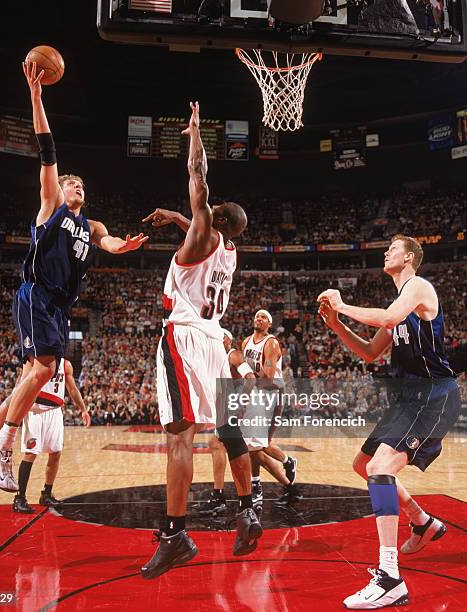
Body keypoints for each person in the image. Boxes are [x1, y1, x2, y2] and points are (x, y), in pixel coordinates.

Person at [0, 60, 148, 494]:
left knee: (30, 379)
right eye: (72, 183)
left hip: (59, 307)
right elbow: (47, 151)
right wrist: (36, 97)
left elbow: (111, 243)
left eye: (81, 184)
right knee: (44, 368)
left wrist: (127, 246)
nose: (77, 185)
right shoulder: (51, 207)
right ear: (59, 189)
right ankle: (1, 447)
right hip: (36, 295)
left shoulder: (92, 226)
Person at [140, 101, 262, 580]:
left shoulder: (206, 230)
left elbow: (199, 178)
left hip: (184, 339)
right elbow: (197, 224)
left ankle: (175, 535)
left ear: (215, 218)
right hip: (215, 339)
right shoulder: (230, 251)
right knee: (228, 430)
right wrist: (175, 216)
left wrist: (194, 133)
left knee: (180, 438)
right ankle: (248, 510)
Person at [318, 234, 460, 609]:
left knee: (381, 469)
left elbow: (391, 317)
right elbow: (369, 351)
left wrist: (343, 304)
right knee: (363, 465)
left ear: (410, 257)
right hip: (408, 400)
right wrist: (335, 324)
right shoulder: (398, 302)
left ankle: (389, 576)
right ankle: (422, 520)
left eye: (393, 248)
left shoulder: (418, 287)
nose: (386, 252)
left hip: (433, 396)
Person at [13, 358, 90, 513]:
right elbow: (21, 384)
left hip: (55, 411)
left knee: (55, 453)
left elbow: (72, 389)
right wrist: (16, 412)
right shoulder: (36, 360)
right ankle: (19, 498)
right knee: (30, 454)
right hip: (35, 409)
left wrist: (83, 409)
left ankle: (46, 494)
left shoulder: (65, 364)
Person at [196, 329, 256, 515]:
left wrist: (241, 403)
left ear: (227, 339)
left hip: (237, 408)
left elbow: (251, 379)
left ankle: (243, 500)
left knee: (251, 450)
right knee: (217, 444)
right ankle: (221, 496)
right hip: (225, 408)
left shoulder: (234, 355)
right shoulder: (216, 361)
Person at [242, 310, 298, 508]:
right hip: (255, 394)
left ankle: (286, 463)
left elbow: (267, 376)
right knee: (253, 445)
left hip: (271, 394)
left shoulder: (271, 343)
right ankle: (259, 481)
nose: (259, 318)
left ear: (269, 324)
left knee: (258, 444)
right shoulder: (246, 342)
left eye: (264, 317)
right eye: (257, 315)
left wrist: (247, 378)